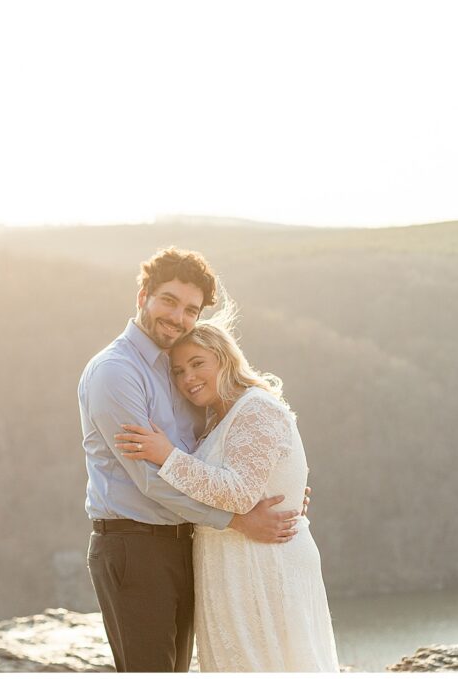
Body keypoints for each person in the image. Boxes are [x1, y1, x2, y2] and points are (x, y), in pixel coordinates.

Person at [78, 247, 305, 673]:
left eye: (191, 310)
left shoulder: (179, 368)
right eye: (169, 301)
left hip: (187, 544)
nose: (178, 317)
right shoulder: (116, 372)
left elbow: (218, 456)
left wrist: (281, 490)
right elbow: (152, 478)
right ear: (143, 296)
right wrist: (238, 520)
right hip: (135, 547)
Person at [115, 315, 340, 672]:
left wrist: (167, 456)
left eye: (197, 364)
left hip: (263, 564)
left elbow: (240, 493)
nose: (188, 378)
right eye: (178, 371)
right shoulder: (217, 420)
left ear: (225, 359)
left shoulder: (257, 408)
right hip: (229, 567)